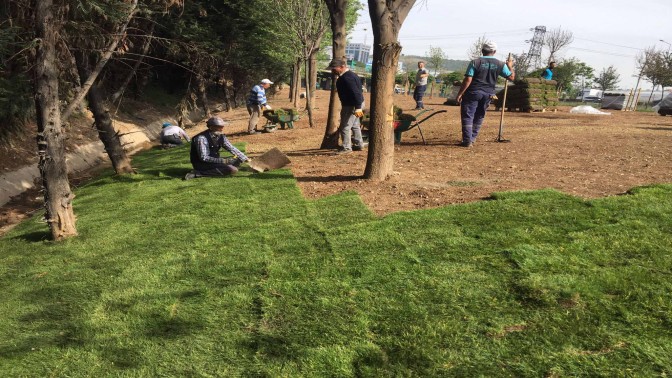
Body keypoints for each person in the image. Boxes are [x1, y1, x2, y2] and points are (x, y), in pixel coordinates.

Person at [456, 41, 514, 147]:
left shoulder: (475, 62)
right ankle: (472, 138)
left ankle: (467, 140)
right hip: (488, 94)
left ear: (482, 50)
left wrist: (460, 93)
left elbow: (468, 79)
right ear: (494, 52)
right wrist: (510, 66)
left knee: (468, 115)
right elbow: (511, 77)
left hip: (473, 92)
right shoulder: (500, 64)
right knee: (479, 115)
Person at [184, 117, 251, 180]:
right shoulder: (201, 138)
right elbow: (204, 157)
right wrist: (223, 161)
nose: (222, 128)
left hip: (214, 161)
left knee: (237, 159)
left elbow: (231, 148)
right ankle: (197, 173)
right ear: (211, 127)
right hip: (202, 164)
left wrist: (246, 159)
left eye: (222, 126)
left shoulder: (221, 136)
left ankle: (220, 167)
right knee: (233, 170)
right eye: (219, 127)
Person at [327, 58, 366, 154]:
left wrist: (357, 108)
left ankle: (346, 148)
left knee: (345, 126)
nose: (332, 71)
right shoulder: (351, 75)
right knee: (355, 125)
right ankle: (359, 144)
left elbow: (356, 93)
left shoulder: (347, 77)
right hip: (357, 104)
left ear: (342, 67)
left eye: (334, 68)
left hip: (352, 106)